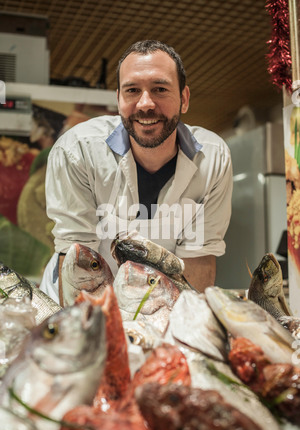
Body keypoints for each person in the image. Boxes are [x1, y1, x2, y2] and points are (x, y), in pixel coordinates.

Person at [40, 39, 233, 305]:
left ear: (184, 99)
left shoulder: (212, 158)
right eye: (132, 90)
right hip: (84, 298)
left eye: (160, 89)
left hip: (160, 304)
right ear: (118, 99)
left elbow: (198, 259)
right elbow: (77, 257)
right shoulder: (78, 151)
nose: (145, 104)